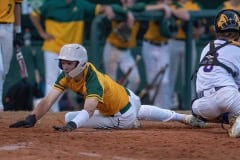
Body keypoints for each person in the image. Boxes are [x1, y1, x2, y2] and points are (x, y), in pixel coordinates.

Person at [9, 43, 205, 130]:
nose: (65, 66)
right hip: (130, 99)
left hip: (121, 117)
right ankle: (184, 118)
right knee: (70, 116)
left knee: (72, 119)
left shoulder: (92, 78)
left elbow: (88, 110)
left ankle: (131, 123)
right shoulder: (66, 75)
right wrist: (32, 117)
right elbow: (48, 99)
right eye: (63, 62)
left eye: (69, 63)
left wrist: (73, 126)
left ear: (81, 63)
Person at [29, 0, 115, 112]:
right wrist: (41, 32)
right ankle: (52, 110)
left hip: (71, 53)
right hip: (53, 47)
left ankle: (42, 104)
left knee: (67, 81)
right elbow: (33, 14)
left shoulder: (81, 4)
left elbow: (100, 8)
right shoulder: (50, 3)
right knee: (51, 80)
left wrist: (108, 8)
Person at [190, 9, 240, 138]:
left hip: (203, 106)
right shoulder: (237, 50)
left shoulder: (207, 47)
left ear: (217, 30)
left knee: (197, 106)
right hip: (228, 96)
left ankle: (230, 117)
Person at [141, 0, 189, 109]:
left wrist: (170, 9)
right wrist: (162, 6)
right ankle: (155, 109)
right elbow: (142, 7)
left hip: (164, 47)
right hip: (149, 45)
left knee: (165, 81)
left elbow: (186, 16)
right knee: (152, 80)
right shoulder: (155, 5)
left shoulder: (175, 5)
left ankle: (165, 109)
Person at [168, 0, 205, 109]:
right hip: (173, 41)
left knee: (189, 76)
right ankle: (169, 105)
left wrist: (197, 31)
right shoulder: (172, 4)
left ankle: (191, 106)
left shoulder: (195, 5)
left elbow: (202, 28)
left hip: (190, 41)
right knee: (171, 76)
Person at [103, 0, 141, 92]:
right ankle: (113, 104)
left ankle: (125, 100)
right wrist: (127, 13)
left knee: (135, 80)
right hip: (112, 49)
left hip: (125, 52)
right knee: (111, 83)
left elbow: (143, 6)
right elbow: (112, 7)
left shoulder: (138, 9)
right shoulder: (117, 9)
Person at [0, 0, 23, 111]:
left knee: (5, 70)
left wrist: (18, 31)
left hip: (8, 26)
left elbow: (17, 6)